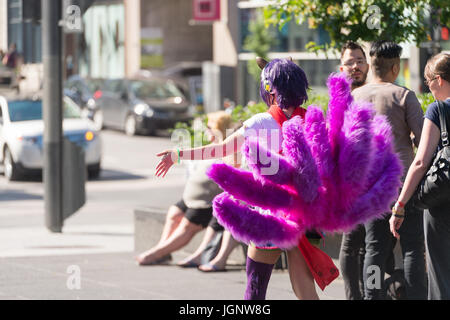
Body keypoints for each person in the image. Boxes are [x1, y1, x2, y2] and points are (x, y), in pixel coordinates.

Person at [156, 58, 324, 300]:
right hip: (308, 215)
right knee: (306, 292)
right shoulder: (312, 122)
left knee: (255, 291)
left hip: (271, 215)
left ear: (269, 89)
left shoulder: (260, 123)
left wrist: (178, 154)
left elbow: (220, 150)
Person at [353, 41, 427, 300]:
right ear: (395, 67)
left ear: (372, 66)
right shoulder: (404, 95)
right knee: (413, 247)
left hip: (369, 187)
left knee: (373, 247)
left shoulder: (355, 97)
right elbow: (423, 139)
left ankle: (373, 295)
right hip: (403, 185)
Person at [136, 111, 234, 266]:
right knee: (173, 213)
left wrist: (177, 154)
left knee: (186, 226)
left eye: (210, 127)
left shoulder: (227, 150)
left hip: (205, 202)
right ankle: (163, 251)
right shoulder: (212, 146)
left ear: (218, 128)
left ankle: (156, 253)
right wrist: (177, 155)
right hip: (190, 198)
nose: (206, 130)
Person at [390, 52, 450, 300]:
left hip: (441, 204)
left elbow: (420, 162)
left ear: (438, 79)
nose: (428, 88)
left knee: (440, 275)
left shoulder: (438, 110)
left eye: (428, 82)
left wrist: (400, 205)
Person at [338, 40, 370, 300]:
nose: (355, 66)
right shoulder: (340, 99)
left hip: (380, 182)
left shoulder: (375, 92)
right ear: (342, 67)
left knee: (372, 247)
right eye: (350, 62)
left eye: (359, 60)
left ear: (368, 64)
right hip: (351, 185)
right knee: (351, 246)